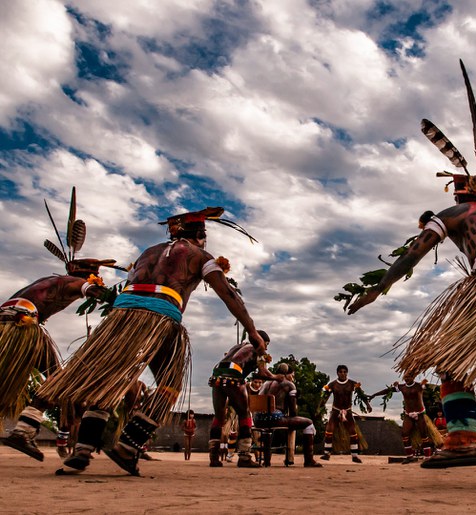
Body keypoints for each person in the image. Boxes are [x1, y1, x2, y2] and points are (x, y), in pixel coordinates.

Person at [347, 62, 476, 480]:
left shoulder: (456, 212)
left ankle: (463, 440)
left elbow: (413, 253)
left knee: (450, 358)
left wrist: (377, 290)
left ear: (458, 190)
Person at [36, 206, 266, 476]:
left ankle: (83, 449)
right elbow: (227, 292)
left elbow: (130, 284)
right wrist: (252, 330)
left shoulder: (147, 253)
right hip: (160, 319)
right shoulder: (200, 255)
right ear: (201, 234)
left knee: (109, 381)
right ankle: (128, 446)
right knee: (169, 385)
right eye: (204, 235)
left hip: (121, 318)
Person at [1, 187, 119, 461]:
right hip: (22, 328)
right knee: (58, 380)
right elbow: (95, 293)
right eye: (95, 275)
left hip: (6, 325)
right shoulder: (74, 282)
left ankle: (24, 429)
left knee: (51, 378)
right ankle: (23, 430)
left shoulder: (48, 280)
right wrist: (119, 302)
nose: (95, 278)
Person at [208, 332, 276, 468]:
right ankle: (244, 456)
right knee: (244, 413)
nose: (266, 349)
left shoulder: (238, 346)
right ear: (260, 340)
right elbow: (263, 373)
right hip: (233, 373)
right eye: (266, 344)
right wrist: (277, 377)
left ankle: (214, 457)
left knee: (219, 416)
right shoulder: (258, 349)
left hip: (217, 373)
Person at [256, 362, 322, 467]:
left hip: (258, 420)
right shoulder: (289, 384)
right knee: (309, 423)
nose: (293, 378)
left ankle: (267, 461)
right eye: (292, 375)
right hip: (274, 419)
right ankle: (309, 460)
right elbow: (293, 412)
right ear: (287, 374)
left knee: (269, 429)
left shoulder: (266, 383)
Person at [368, 374, 443, 463]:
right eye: (406, 377)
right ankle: (409, 456)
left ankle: (427, 456)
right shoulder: (402, 387)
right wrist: (374, 395)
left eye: (409, 377)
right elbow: (388, 390)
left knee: (424, 435)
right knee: (404, 434)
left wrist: (426, 384)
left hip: (420, 414)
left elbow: (431, 387)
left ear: (413, 377)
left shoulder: (419, 386)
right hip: (408, 414)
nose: (407, 378)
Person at [319, 365, 371, 463]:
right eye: (341, 372)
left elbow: (361, 395)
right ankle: (327, 454)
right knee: (329, 431)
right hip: (336, 411)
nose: (343, 374)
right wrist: (321, 406)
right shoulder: (333, 384)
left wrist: (367, 405)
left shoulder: (352, 384)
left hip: (347, 411)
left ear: (347, 373)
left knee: (353, 432)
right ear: (337, 373)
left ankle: (355, 456)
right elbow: (325, 396)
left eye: (344, 372)